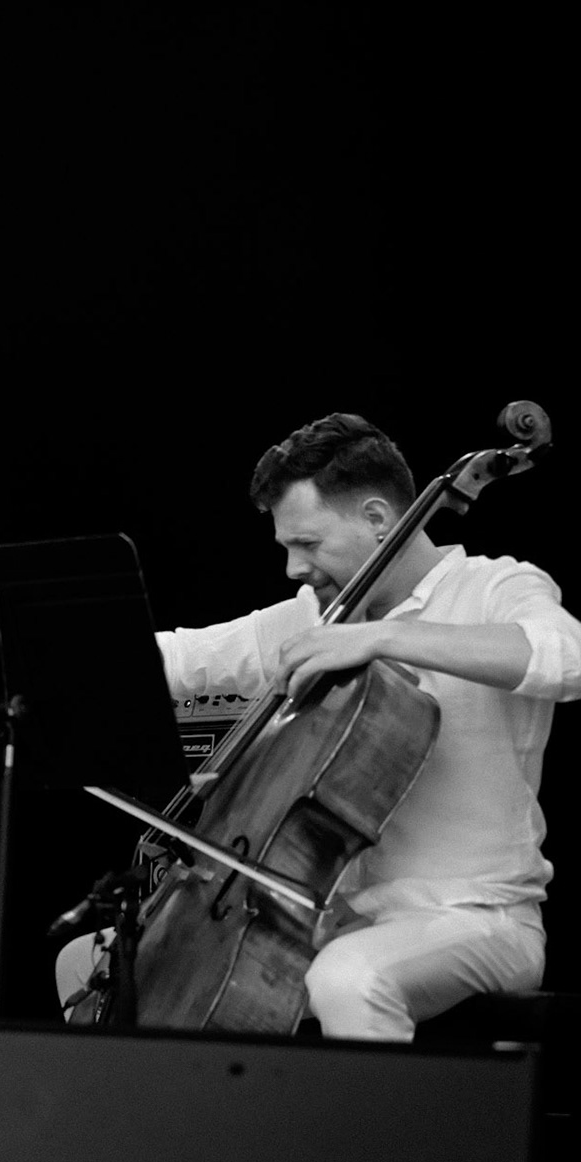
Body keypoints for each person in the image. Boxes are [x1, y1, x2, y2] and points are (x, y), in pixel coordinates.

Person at [57, 412, 580, 1039]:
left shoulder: (496, 586)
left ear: (378, 519)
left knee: (350, 977)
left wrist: (382, 636)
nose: (293, 568)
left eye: (307, 544)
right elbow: (181, 659)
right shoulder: (317, 615)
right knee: (90, 962)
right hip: (337, 914)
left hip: (480, 916)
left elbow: (565, 656)